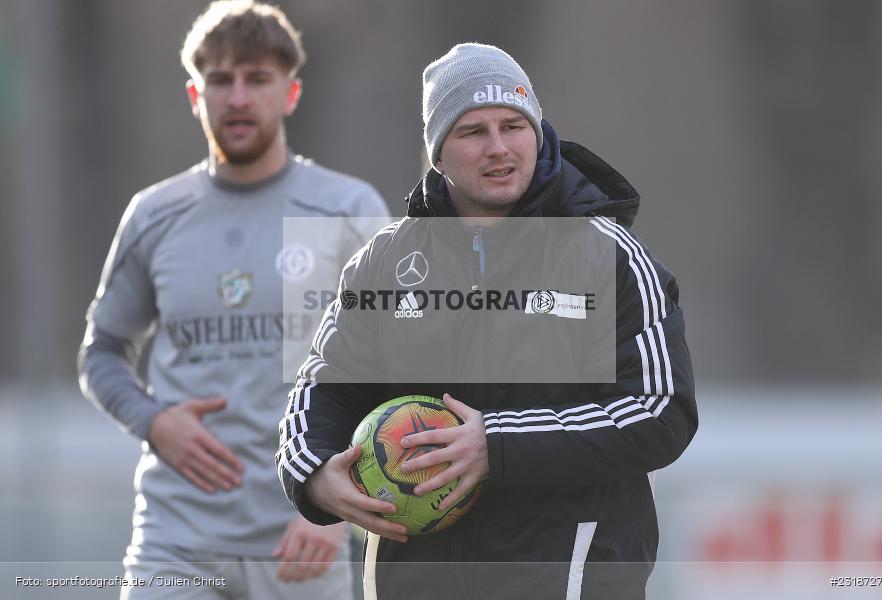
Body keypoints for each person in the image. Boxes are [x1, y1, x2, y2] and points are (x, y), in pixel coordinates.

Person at [276, 43, 698, 600]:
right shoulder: (383, 264)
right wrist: (313, 473)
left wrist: (496, 444)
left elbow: (660, 408)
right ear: (437, 155)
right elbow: (321, 386)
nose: (499, 148)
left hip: (570, 577)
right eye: (473, 132)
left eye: (514, 125)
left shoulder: (609, 255)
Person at [77, 2, 390, 598]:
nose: (238, 97)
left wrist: (338, 509)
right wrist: (153, 420)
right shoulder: (154, 216)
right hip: (177, 540)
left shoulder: (347, 211)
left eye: (257, 79)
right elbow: (102, 353)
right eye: (220, 80)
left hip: (302, 540)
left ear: (291, 93)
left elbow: (392, 366)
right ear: (195, 95)